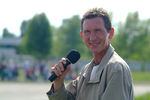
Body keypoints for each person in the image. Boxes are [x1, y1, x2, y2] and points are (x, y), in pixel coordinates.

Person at [47, 8, 134, 100]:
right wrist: (59, 82)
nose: (92, 38)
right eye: (87, 32)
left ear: (111, 33)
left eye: (97, 31)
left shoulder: (116, 68)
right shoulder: (86, 70)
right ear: (82, 36)